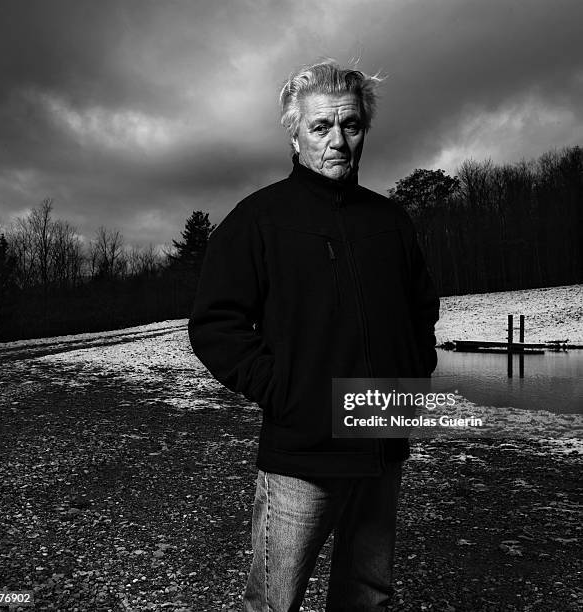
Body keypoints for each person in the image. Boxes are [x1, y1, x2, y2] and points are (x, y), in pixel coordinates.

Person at [188, 60, 440, 611]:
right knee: (274, 602)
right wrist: (288, 394)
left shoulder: (391, 221)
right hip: (303, 452)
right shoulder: (258, 219)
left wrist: (412, 381)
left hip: (381, 442)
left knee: (368, 595)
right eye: (321, 127)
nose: (339, 141)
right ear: (294, 131)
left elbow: (422, 309)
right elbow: (215, 325)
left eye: (350, 125)